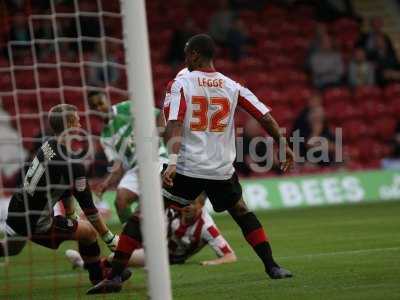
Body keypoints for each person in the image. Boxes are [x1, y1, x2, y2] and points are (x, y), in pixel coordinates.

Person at [87, 33, 294, 295]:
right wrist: (282, 143)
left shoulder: (181, 83)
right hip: (220, 170)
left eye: (187, 52)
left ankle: (115, 276)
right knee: (241, 211)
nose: (185, 56)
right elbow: (263, 115)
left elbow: (173, 123)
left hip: (187, 167)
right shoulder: (232, 86)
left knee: (144, 213)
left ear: (195, 54)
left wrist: (171, 161)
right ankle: (272, 266)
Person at [0, 104, 125, 286]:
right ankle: (99, 277)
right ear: (71, 124)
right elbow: (89, 208)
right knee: (89, 233)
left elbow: (62, 185)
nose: (81, 124)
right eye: (78, 119)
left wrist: (70, 213)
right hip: (38, 222)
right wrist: (109, 237)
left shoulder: (47, 145)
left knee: (9, 249)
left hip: (18, 209)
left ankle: (98, 272)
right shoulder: (72, 163)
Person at [65, 195, 236, 268]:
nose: (188, 207)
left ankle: (84, 263)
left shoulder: (207, 227)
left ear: (202, 205)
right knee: (122, 245)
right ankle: (90, 263)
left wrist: (213, 263)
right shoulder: (176, 207)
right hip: (153, 244)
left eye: (193, 204)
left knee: (116, 256)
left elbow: (230, 256)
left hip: (164, 258)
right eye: (187, 203)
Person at [87, 91, 168, 224]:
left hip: (155, 159)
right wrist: (106, 183)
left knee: (150, 202)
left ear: (107, 100)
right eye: (94, 106)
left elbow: (159, 114)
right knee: (120, 201)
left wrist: (156, 139)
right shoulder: (105, 136)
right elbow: (117, 166)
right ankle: (131, 237)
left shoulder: (126, 107)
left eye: (100, 103)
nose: (98, 108)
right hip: (135, 169)